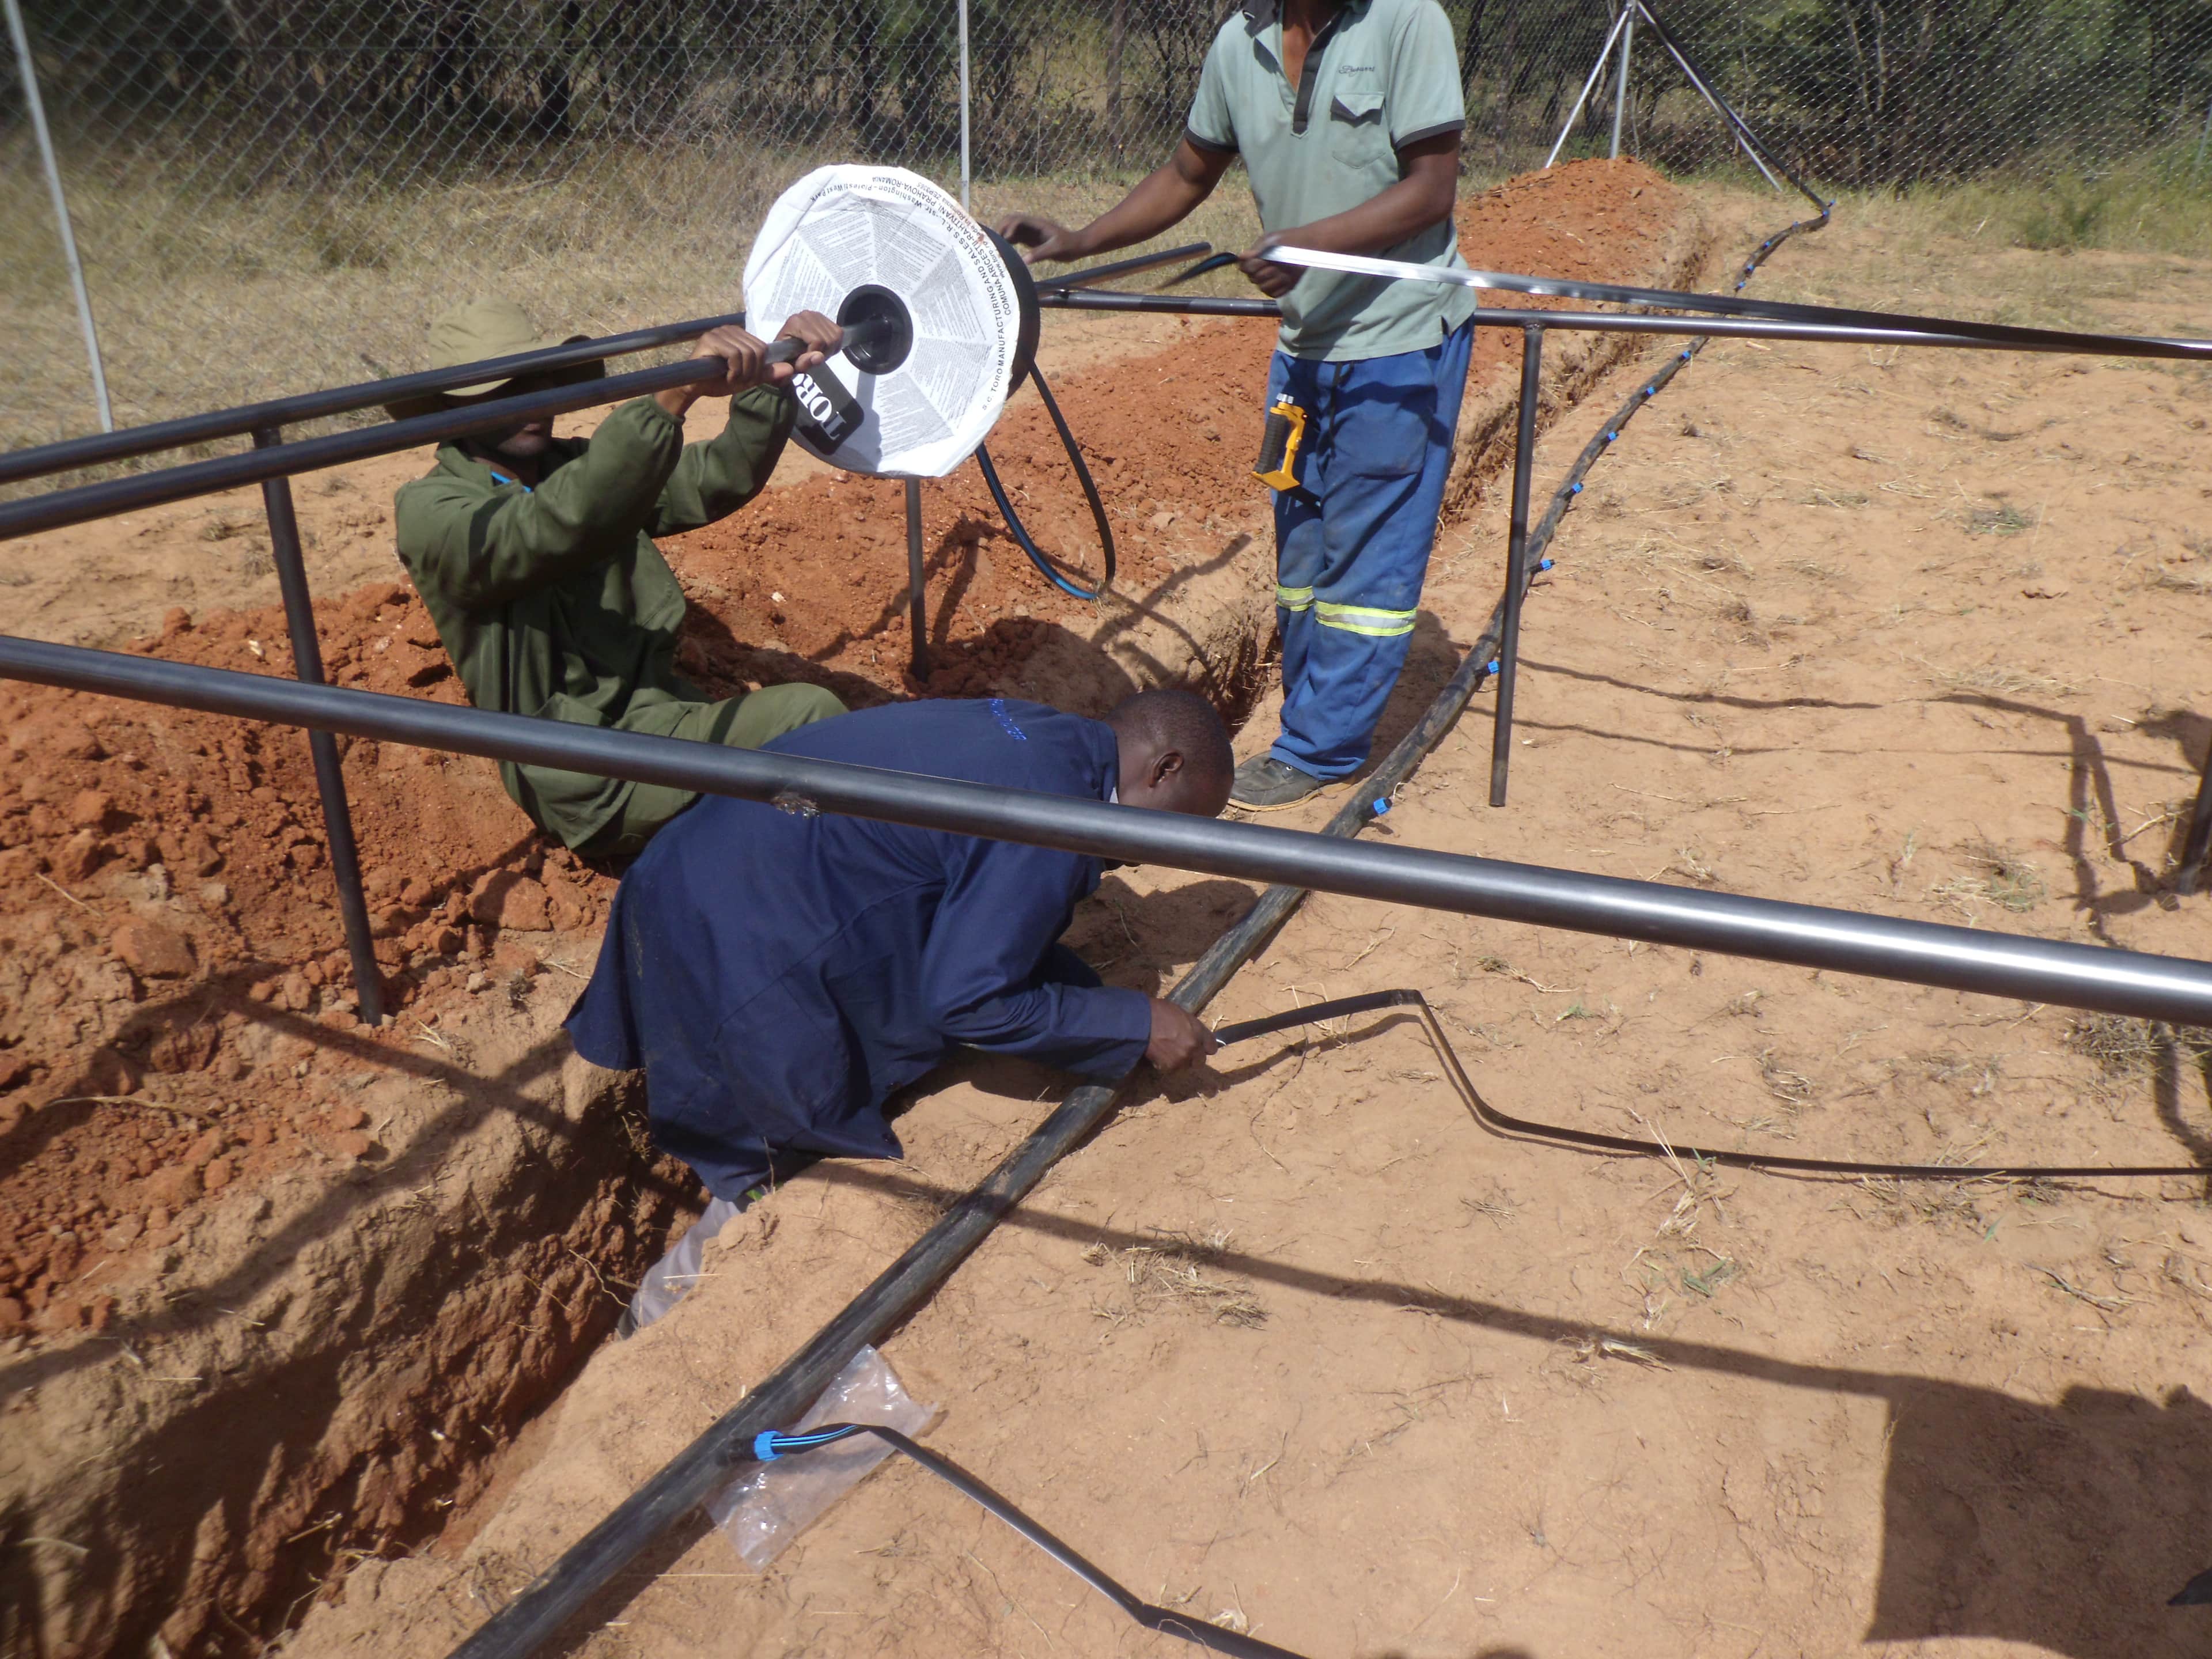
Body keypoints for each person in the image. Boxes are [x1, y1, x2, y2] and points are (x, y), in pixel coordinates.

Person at [566, 688, 1231, 1332]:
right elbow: (972, 999)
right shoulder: (1053, 813)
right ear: (1163, 768)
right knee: (770, 1167)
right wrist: (1135, 1022)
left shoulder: (1044, 737)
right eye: (1176, 828)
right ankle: (663, 1315)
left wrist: (1100, 1010)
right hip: (742, 951)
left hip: (699, 877)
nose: (1159, 856)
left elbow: (984, 921)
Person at [998, 0, 1475, 812]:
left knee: (1366, 556)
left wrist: (1311, 243)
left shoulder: (1405, 21)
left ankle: (1321, 748)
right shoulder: (1239, 41)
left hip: (1396, 345)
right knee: (1303, 547)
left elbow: (1432, 190)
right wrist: (1078, 241)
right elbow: (1188, 173)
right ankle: (1306, 708)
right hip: (1305, 347)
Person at [390, 296, 850, 858]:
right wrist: (669, 401)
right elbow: (548, 525)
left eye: (538, 381)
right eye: (501, 391)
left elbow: (712, 479)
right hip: (585, 771)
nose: (531, 403)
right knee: (810, 717)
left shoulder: (570, 465)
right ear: (453, 408)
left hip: (664, 719)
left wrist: (771, 384)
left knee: (821, 745)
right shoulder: (432, 508)